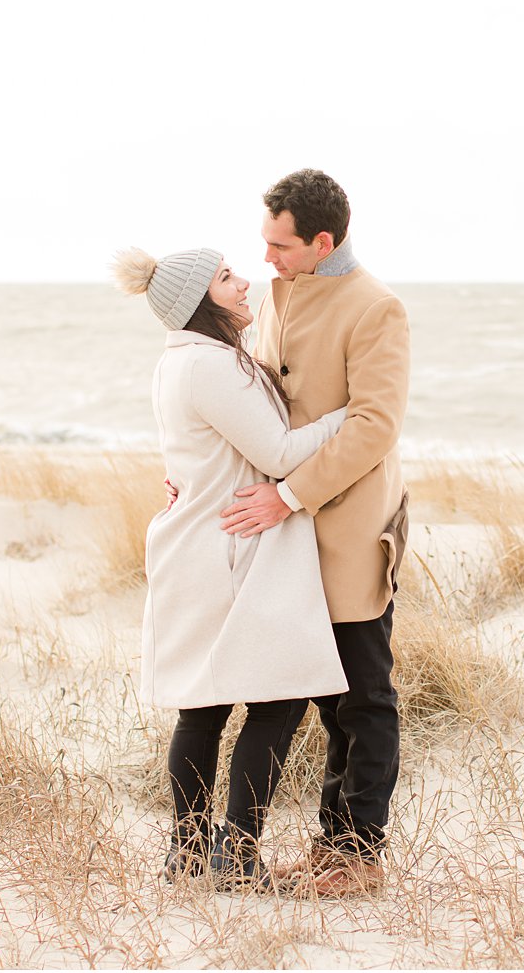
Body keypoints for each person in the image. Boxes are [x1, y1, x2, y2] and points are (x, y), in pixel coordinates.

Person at [111, 244, 350, 892]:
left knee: (204, 706)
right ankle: (235, 854)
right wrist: (353, 416)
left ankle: (188, 855)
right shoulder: (210, 366)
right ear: (199, 301)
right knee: (278, 695)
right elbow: (275, 452)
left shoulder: (184, 362)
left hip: (201, 542)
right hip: (225, 549)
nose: (243, 281)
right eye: (225, 277)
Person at [219, 169, 410, 898]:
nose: (267, 257)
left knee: (364, 696)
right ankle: (335, 845)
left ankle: (360, 854)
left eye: (281, 245)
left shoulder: (377, 308)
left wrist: (288, 496)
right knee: (324, 697)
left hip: (349, 528)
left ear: (323, 240)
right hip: (288, 534)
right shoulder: (275, 294)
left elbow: (374, 425)